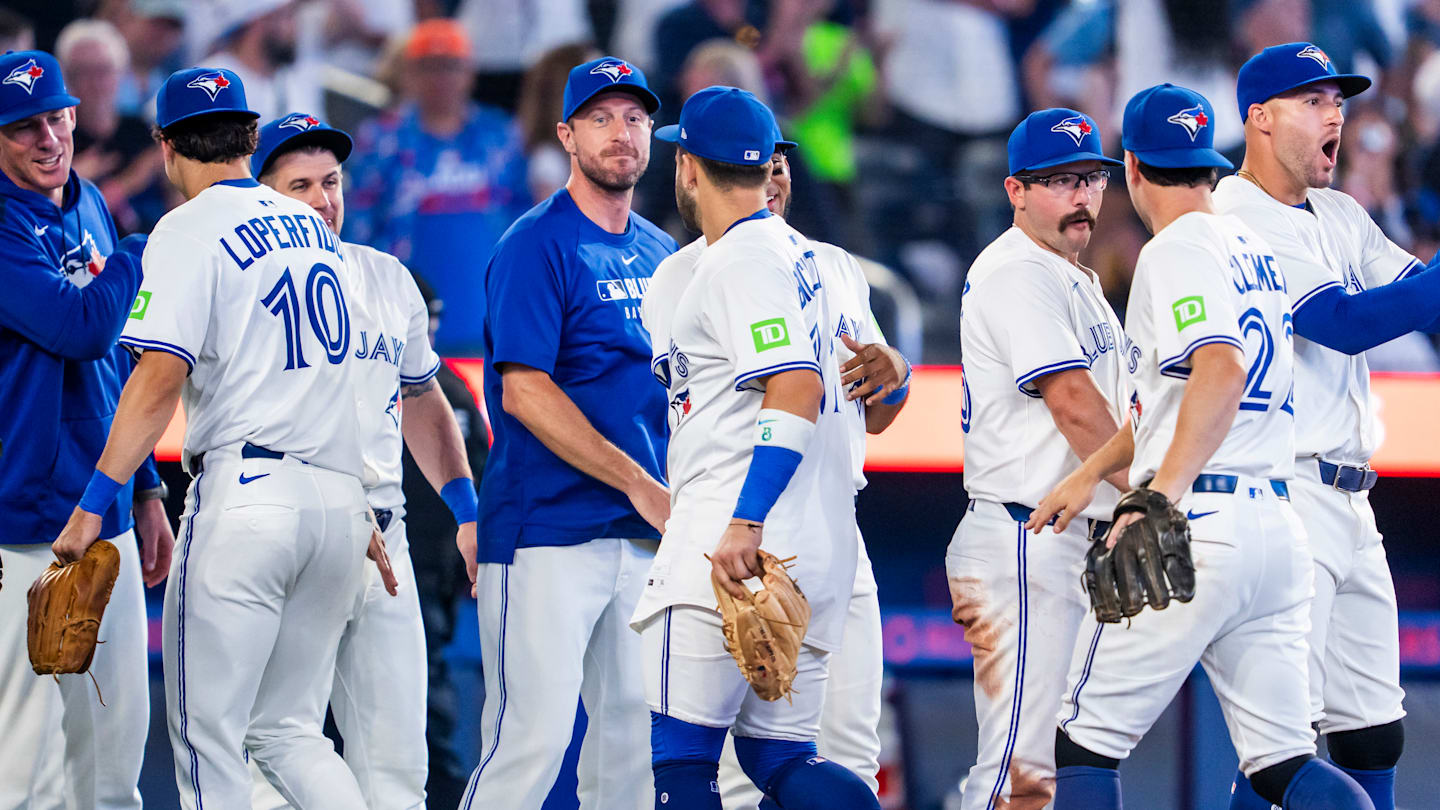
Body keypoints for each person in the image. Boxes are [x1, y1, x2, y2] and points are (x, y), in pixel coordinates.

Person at [1029, 82, 1372, 810]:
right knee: (1284, 765)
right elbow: (1175, 403)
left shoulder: (1176, 248)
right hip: (1279, 531)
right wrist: (1091, 472)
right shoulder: (1254, 246)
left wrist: (1156, 495)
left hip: (1206, 518)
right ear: (1209, 162)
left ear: (1131, 166)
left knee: (1084, 744)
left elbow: (1219, 371)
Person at [49, 66, 375, 809]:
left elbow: (158, 377)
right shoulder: (318, 231)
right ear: (253, 140)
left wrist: (94, 502)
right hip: (337, 500)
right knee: (290, 732)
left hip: (250, 497)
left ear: (165, 147)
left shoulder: (186, 229)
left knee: (208, 741)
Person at [630, 84, 878, 810]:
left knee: (683, 764)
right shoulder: (812, 261)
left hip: (736, 536)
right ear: (766, 165)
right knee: (780, 758)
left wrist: (745, 521)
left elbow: (795, 384)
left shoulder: (742, 259)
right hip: (817, 541)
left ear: (685, 166)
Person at [1213, 42, 1440, 810]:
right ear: (1260, 117)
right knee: (1286, 748)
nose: (1334, 115)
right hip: (1283, 491)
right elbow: (1342, 322)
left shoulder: (1340, 213)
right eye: (1313, 101)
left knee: (1374, 730)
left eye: (1338, 101)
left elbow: (1416, 294)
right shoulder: (1235, 213)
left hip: (1351, 496)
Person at [459, 56, 675, 809]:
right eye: (601, 119)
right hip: (546, 529)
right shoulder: (535, 243)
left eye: (636, 118)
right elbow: (523, 392)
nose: (622, 134)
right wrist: (641, 482)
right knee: (529, 743)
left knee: (630, 750)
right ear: (566, 135)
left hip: (642, 535)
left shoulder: (663, 253)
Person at [252, 110, 480, 809]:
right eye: (300, 185)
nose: (324, 199)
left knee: (399, 765)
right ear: (261, 196)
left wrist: (468, 511)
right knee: (273, 758)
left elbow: (425, 397)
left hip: (391, 538)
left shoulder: (387, 277)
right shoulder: (239, 283)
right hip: (288, 532)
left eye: (332, 181)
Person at [943, 106, 1130, 810]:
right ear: (1015, 190)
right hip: (1025, 538)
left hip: (1060, 543)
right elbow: (1076, 406)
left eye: (1090, 178)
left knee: (1052, 765)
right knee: (1019, 773)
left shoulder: (1072, 276)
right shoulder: (1018, 272)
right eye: (1058, 181)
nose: (1082, 195)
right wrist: (1146, 494)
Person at [0, 48, 171, 810]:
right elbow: (80, 328)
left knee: (112, 768)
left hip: (104, 510)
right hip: (23, 526)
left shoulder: (89, 200)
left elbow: (117, 368)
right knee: (25, 773)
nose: (47, 138)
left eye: (57, 117)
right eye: (22, 127)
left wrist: (146, 487)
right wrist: (140, 252)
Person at [345, 19, 531, 356]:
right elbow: (356, 228)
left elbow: (523, 218)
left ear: (470, 72)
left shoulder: (500, 134)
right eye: (429, 67)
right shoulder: (381, 140)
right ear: (410, 74)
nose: (441, 79)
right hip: (405, 320)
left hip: (488, 318)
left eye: (451, 66)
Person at [55, 18, 167, 234]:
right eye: (82, 72)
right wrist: (131, 180)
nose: (95, 83)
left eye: (103, 71)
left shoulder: (143, 131)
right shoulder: (55, 140)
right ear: (66, 78)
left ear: (121, 74)